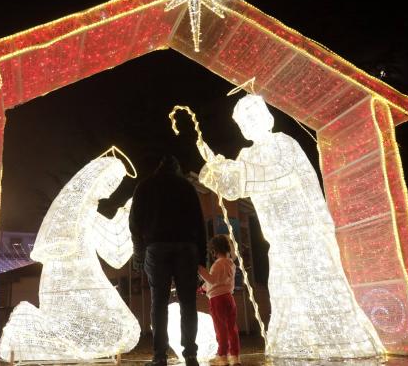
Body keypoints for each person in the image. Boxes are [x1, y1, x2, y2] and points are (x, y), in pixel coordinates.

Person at [197, 94, 385, 359]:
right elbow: (233, 187)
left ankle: (340, 343)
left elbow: (277, 174)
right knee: (285, 292)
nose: (249, 124)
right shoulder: (246, 155)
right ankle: (294, 344)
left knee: (319, 287)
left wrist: (234, 172)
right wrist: (215, 166)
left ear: (267, 117)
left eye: (253, 116)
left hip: (305, 232)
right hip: (279, 240)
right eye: (243, 122)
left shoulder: (285, 144)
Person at [0, 154, 140, 361]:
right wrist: (128, 214)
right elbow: (112, 248)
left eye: (114, 183)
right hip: (74, 276)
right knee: (123, 328)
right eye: (110, 181)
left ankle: (35, 332)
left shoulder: (85, 209)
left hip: (80, 275)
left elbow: (114, 251)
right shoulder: (81, 209)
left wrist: (127, 213)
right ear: (96, 177)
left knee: (124, 329)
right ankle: (25, 326)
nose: (110, 189)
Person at [129, 155, 207, 366]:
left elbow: (135, 223)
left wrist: (139, 253)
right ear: (177, 168)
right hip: (186, 247)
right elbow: (200, 224)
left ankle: (160, 355)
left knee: (159, 303)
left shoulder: (145, 186)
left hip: (157, 248)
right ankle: (190, 354)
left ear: (159, 167)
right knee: (188, 303)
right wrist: (203, 258)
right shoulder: (187, 188)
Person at [198, 235, 241, 366]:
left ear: (214, 251)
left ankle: (222, 355)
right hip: (229, 298)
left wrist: (200, 269)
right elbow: (219, 281)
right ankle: (234, 356)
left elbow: (212, 279)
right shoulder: (231, 264)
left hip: (217, 300)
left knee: (220, 328)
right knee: (232, 328)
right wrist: (204, 288)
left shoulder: (218, 264)